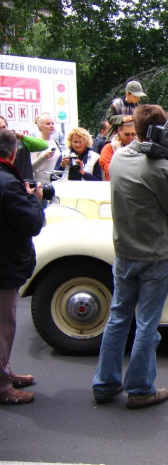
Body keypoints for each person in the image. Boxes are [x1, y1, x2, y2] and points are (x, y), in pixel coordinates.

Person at [92, 104, 168, 409]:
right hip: (155, 256)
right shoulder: (161, 167)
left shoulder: (118, 157)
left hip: (125, 252)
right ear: (161, 131)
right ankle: (140, 389)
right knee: (146, 324)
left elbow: (149, 180)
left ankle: (105, 384)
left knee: (117, 318)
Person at [0, 129, 45, 404]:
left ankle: (4, 372)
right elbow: (32, 223)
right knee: (4, 326)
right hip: (4, 263)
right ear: (13, 153)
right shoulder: (8, 184)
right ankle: (2, 386)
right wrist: (34, 200)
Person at [0, 116, 48, 181]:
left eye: (4, 127)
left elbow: (44, 145)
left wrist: (24, 137)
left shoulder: (18, 138)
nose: (3, 130)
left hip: (26, 183)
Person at [30, 113, 61, 184]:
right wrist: (43, 157)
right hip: (41, 184)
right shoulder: (36, 143)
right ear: (40, 126)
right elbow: (31, 168)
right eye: (48, 124)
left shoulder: (55, 142)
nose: (51, 126)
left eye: (53, 123)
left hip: (56, 183)